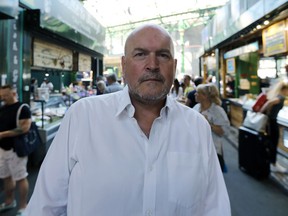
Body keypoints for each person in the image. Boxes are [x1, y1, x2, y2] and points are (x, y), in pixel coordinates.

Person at [25, 24, 230, 215]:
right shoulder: (83, 117)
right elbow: (44, 207)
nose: (152, 65)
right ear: (124, 65)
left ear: (174, 66)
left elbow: (214, 208)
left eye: (163, 55)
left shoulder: (196, 127)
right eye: (140, 54)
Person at [0, 85, 31, 216]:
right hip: (2, 149)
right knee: (6, 177)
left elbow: (24, 128)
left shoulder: (23, 108)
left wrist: (2, 134)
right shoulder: (2, 108)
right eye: (1, 96)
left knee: (20, 178)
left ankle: (24, 206)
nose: (3, 98)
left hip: (16, 150)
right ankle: (9, 201)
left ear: (13, 94)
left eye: (5, 96)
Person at [193, 83, 230, 172]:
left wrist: (208, 124)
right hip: (196, 150)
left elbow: (224, 132)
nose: (195, 94)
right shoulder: (196, 107)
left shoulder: (217, 111)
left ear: (205, 96)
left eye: (198, 92)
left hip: (212, 151)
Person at [260, 80, 288, 173]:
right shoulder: (280, 97)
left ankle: (271, 162)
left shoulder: (277, 96)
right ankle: (273, 164)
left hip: (270, 122)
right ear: (284, 89)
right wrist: (262, 111)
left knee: (271, 142)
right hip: (272, 122)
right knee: (273, 142)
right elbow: (268, 103)